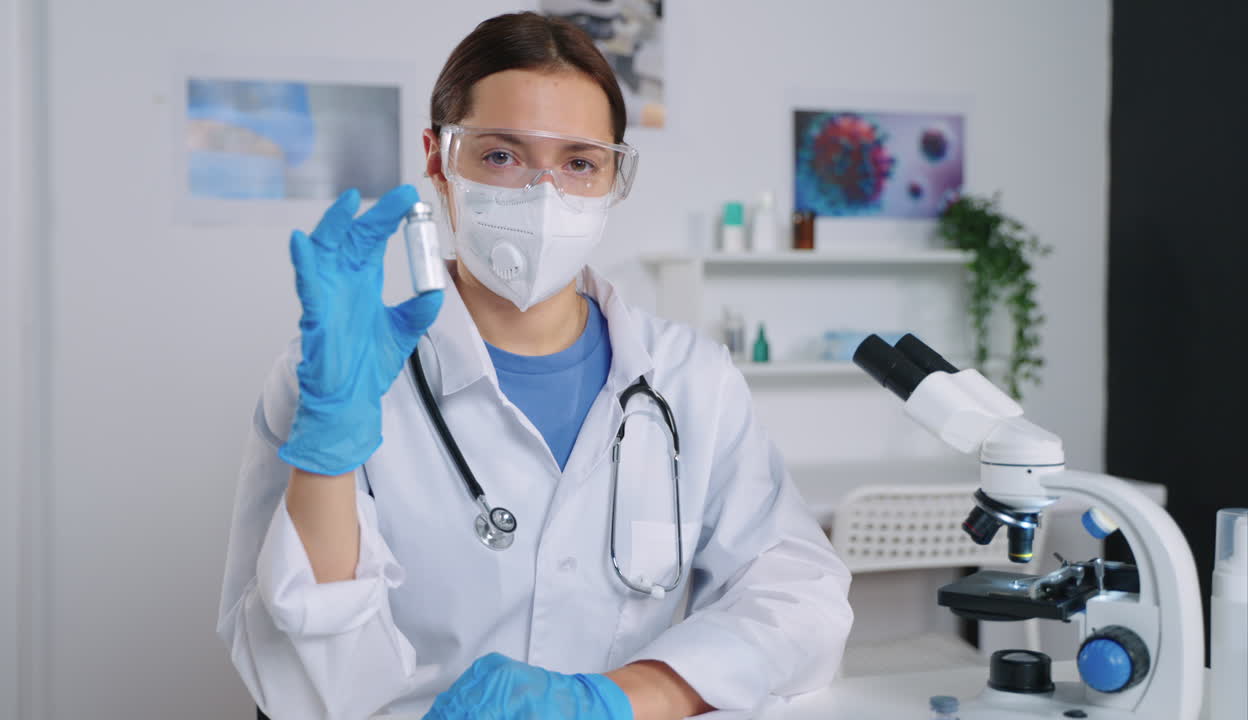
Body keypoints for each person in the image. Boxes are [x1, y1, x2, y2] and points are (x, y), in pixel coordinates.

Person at [218, 12, 852, 720]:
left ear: (614, 177)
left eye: (579, 163)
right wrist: (330, 445)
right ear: (438, 160)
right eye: (501, 156)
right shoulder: (337, 379)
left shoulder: (690, 381)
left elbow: (801, 600)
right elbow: (304, 687)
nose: (543, 196)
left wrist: (614, 699)